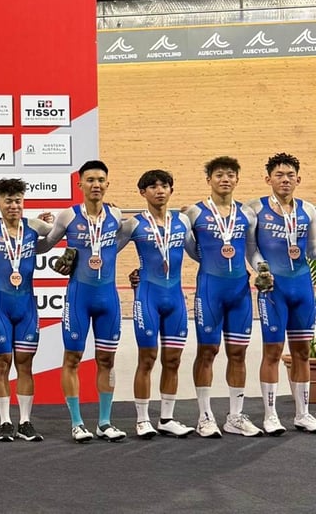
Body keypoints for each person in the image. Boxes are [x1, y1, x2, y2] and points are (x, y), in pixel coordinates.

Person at [39, 160, 126, 443]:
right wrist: (41, 228)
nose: (96, 184)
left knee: (107, 360)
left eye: (101, 179)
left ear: (107, 184)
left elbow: (117, 244)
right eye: (90, 180)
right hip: (79, 297)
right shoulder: (67, 216)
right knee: (72, 358)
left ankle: (104, 422)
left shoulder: (116, 214)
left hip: (108, 299)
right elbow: (45, 245)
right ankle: (77, 423)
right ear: (80, 185)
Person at [183, 156, 263, 438]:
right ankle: (205, 416)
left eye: (230, 174)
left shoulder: (248, 214)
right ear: (209, 180)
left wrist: (261, 267)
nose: (225, 179)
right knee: (208, 351)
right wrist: (209, 262)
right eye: (219, 175)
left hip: (240, 289)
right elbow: (191, 248)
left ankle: (235, 416)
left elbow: (251, 250)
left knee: (238, 352)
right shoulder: (193, 213)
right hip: (209, 289)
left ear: (237, 180)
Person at [0, 179, 51, 442]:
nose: (13, 205)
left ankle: (25, 422)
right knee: (1, 363)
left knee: (25, 364)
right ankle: (5, 422)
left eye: (18, 200)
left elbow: (59, 232)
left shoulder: (35, 227)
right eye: (8, 200)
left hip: (26, 306)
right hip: (0, 307)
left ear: (23, 201)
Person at [117, 170, 196, 439]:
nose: (159, 190)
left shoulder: (183, 221)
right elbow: (105, 250)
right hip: (147, 298)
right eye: (152, 187)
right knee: (147, 359)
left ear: (171, 190)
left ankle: (167, 418)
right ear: (143, 193)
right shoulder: (133, 225)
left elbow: (197, 252)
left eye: (164, 186)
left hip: (175, 298)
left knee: (173, 359)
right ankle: (141, 419)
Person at [247, 153, 316, 434]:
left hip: (302, 289)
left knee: (301, 352)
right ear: (268, 179)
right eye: (279, 175)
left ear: (298, 179)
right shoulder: (255, 209)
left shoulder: (309, 210)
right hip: (273, 289)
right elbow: (250, 249)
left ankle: (302, 413)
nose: (285, 180)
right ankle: (271, 414)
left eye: (290, 175)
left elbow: (312, 250)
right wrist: (261, 270)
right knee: (272, 352)